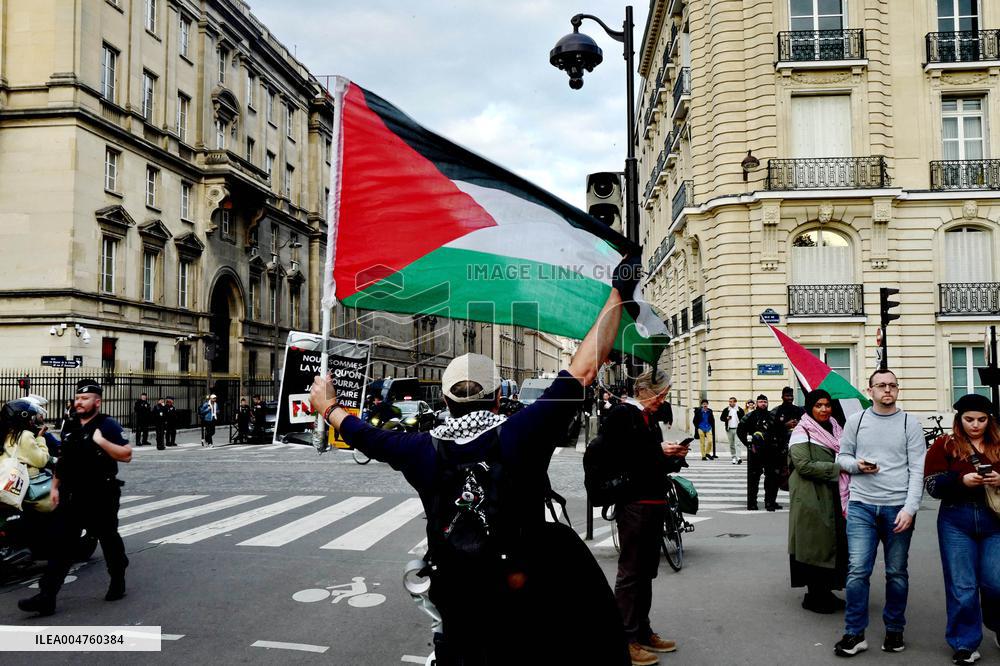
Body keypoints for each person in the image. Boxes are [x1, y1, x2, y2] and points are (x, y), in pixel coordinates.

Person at [310, 276, 636, 665]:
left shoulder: (419, 449)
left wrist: (328, 407)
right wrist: (618, 292)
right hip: (520, 584)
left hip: (456, 589)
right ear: (498, 397)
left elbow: (365, 435)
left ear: (446, 400)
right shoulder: (522, 432)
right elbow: (583, 370)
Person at [18, 378, 132, 616]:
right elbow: (64, 458)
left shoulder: (107, 424)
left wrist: (101, 441)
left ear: (97, 402)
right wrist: (55, 486)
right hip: (72, 494)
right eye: (78, 398)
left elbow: (126, 455)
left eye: (85, 398)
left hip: (101, 493)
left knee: (108, 538)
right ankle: (46, 597)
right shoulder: (70, 425)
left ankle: (118, 578)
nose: (79, 402)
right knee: (61, 544)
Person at [834, 368, 926, 657]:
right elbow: (842, 457)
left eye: (892, 385)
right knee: (858, 571)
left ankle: (895, 629)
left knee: (896, 572)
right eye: (881, 385)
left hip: (897, 507)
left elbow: (918, 470)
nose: (887, 390)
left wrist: (910, 509)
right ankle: (854, 633)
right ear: (870, 390)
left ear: (897, 390)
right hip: (862, 505)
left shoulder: (910, 423)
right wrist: (857, 465)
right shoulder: (856, 421)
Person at [603, 369, 687, 665]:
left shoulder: (648, 419)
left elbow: (651, 461)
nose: (662, 401)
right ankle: (624, 639)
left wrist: (674, 456)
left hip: (653, 500)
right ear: (643, 391)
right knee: (630, 572)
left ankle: (642, 629)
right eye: (660, 395)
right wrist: (657, 451)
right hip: (634, 502)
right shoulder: (621, 415)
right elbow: (623, 457)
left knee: (647, 571)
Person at [924, 393, 1000, 665]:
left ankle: (996, 623)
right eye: (969, 419)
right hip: (956, 519)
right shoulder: (945, 444)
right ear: (959, 419)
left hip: (996, 520)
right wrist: (961, 480)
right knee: (962, 585)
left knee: (996, 581)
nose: (975, 425)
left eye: (981, 419)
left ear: (989, 420)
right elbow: (932, 485)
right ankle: (965, 643)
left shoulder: (999, 442)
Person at [788, 389, 849, 614]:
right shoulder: (801, 431)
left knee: (832, 543)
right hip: (810, 496)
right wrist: (838, 467)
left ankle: (826, 591)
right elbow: (803, 465)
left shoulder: (835, 427)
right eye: (818, 406)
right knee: (814, 545)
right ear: (810, 408)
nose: (824, 409)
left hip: (833, 493)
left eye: (827, 405)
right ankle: (814, 595)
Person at [738, 395, 784, 511]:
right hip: (755, 453)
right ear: (757, 403)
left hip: (770, 452)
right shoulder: (750, 416)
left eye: (765, 402)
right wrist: (748, 444)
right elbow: (740, 430)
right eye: (760, 402)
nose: (763, 404)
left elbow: (779, 431)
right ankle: (752, 503)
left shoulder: (771, 416)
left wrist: (778, 447)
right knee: (753, 479)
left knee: (771, 479)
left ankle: (770, 502)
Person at [773, 386, 805, 450]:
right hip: (782, 443)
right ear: (782, 397)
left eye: (791, 396)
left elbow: (806, 423)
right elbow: (773, 428)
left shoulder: (799, 410)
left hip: (798, 441)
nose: (790, 398)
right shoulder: (776, 411)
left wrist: (798, 423)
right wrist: (785, 425)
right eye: (787, 396)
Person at [720, 397, 745, 464]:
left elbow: (743, 418)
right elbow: (721, 418)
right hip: (729, 429)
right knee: (731, 444)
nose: (731, 403)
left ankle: (738, 457)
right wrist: (726, 418)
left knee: (738, 443)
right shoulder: (726, 410)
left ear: (735, 402)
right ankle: (733, 457)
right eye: (730, 402)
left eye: (732, 401)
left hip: (737, 429)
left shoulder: (740, 410)